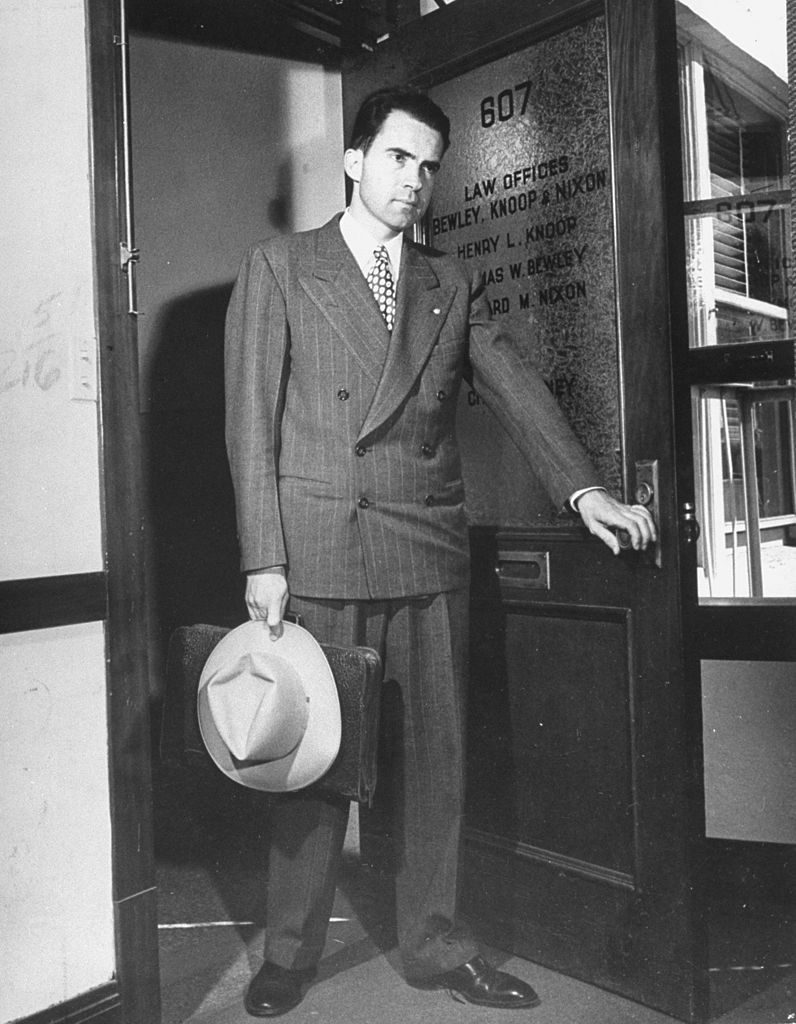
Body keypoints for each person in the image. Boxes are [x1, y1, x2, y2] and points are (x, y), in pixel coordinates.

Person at [224, 86, 655, 1017]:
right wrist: (265, 557)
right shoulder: (280, 267)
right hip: (321, 553)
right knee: (315, 765)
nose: (414, 181)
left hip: (425, 554)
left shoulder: (448, 283)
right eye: (397, 159)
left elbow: (513, 389)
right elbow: (247, 425)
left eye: (428, 166)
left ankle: (433, 945)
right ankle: (289, 953)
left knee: (434, 769)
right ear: (354, 160)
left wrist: (586, 491)